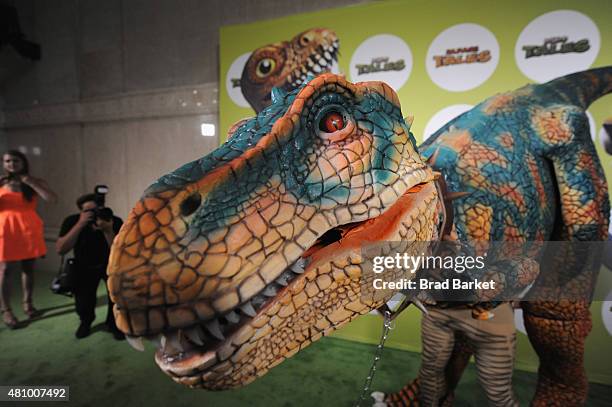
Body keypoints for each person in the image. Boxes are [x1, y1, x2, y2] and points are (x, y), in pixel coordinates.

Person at [0, 150, 57, 329]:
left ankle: (28, 304)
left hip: (28, 229)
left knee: (28, 267)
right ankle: (6, 310)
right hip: (6, 229)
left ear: (23, 162)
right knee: (5, 270)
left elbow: (52, 199)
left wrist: (31, 182)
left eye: (15, 160)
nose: (11, 164)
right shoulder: (1, 182)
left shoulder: (34, 182)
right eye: (7, 161)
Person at [56, 193, 124, 339]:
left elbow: (119, 252)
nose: (94, 215)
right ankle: (85, 322)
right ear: (81, 211)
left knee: (116, 297)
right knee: (83, 301)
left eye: (97, 210)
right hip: (84, 266)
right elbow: (61, 249)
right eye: (89, 211)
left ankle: (114, 324)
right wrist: (80, 224)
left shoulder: (112, 220)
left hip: (110, 265)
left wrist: (108, 230)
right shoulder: (72, 221)